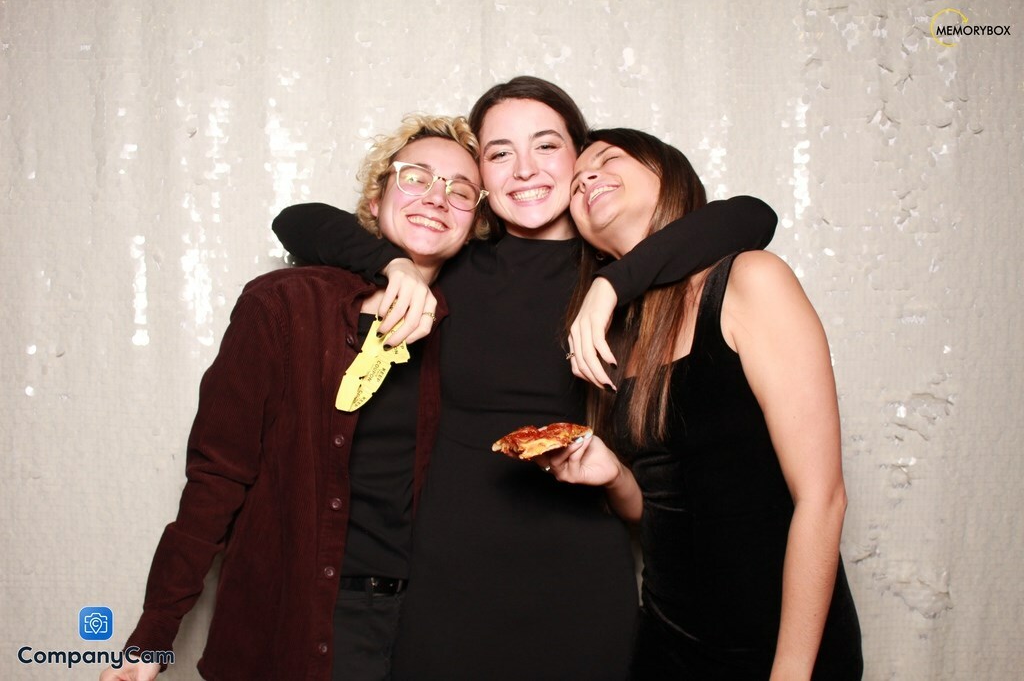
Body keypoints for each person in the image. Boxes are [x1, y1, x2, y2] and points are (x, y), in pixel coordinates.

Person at [272, 76, 778, 680]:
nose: (524, 169)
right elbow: (296, 220)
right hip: (443, 590)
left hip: (580, 591)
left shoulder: (630, 278)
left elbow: (752, 216)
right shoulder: (450, 261)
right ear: (481, 179)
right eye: (499, 152)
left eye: (546, 145)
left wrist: (610, 285)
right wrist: (395, 264)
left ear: (579, 158)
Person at [99, 114, 488, 681]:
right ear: (375, 199)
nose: (436, 197)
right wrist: (153, 635)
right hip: (297, 622)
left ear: (474, 221)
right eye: (416, 177)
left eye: (461, 190)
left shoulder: (474, 327)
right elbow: (218, 475)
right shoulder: (287, 304)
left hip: (425, 628)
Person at [540, 128, 863, 679]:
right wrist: (614, 475)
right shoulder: (619, 337)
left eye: (609, 159)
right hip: (666, 644)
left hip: (777, 649)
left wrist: (790, 672)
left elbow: (822, 498)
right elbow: (661, 511)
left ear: (669, 177)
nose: (587, 177)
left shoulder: (749, 281)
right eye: (575, 184)